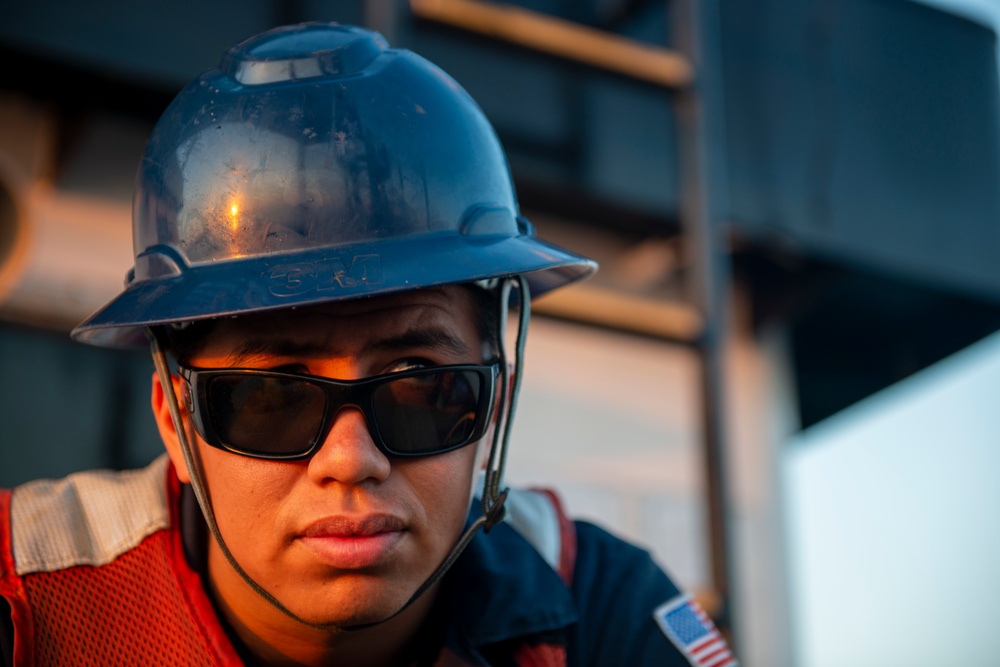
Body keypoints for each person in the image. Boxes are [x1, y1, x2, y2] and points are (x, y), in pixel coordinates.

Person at [0, 22, 737, 667]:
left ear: (494, 402)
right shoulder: (23, 597)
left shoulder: (596, 605)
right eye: (271, 395)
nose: (351, 460)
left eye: (420, 385)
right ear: (175, 420)